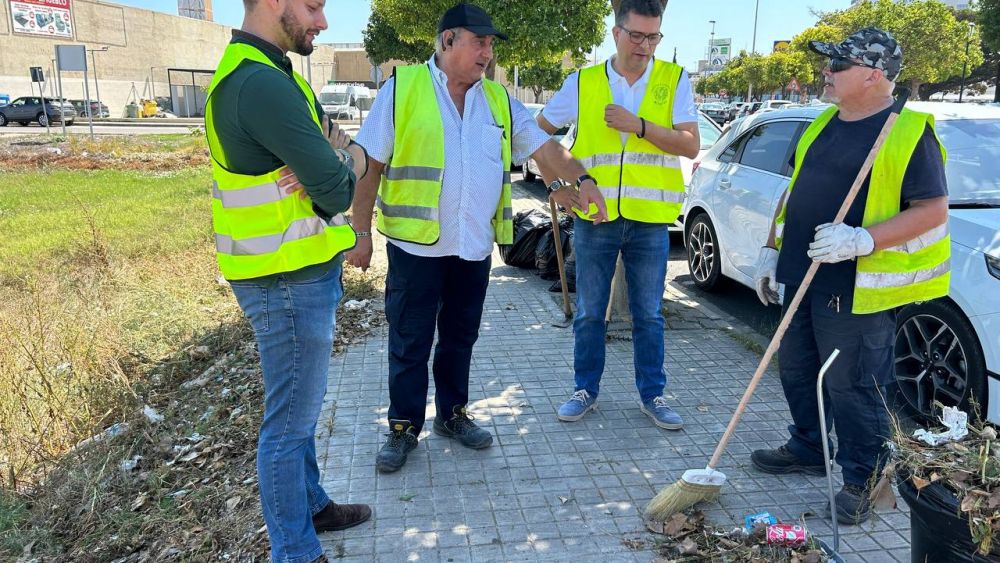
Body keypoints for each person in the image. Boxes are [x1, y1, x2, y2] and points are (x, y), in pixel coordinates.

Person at [348, 3, 608, 473]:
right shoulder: (402, 89)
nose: (488, 52)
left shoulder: (498, 99)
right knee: (409, 340)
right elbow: (370, 166)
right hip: (415, 247)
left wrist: (582, 178)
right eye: (479, 42)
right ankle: (403, 426)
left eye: (490, 44)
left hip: (472, 247)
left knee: (460, 337)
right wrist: (360, 231)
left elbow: (544, 148)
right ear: (448, 41)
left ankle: (452, 414)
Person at [751, 28, 949, 525]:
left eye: (837, 65)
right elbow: (794, 191)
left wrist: (861, 240)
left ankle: (866, 482)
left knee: (853, 385)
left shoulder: (908, 131)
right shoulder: (822, 122)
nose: (827, 71)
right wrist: (771, 249)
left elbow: (932, 210)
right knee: (797, 369)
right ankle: (809, 447)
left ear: (873, 75)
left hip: (856, 286)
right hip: (802, 273)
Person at [206, 1, 372, 561]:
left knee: (299, 410)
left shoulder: (274, 73)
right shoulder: (260, 85)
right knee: (288, 425)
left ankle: (312, 506)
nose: (323, 22)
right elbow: (338, 187)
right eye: (314, 6)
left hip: (291, 272)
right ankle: (296, 551)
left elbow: (340, 150)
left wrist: (340, 154)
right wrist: (344, 160)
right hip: (283, 280)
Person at [536, 0, 700, 430]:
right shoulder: (584, 81)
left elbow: (690, 145)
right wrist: (557, 185)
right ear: (616, 33)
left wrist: (639, 125)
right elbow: (535, 135)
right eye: (637, 35)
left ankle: (653, 395)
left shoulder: (674, 78)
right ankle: (584, 390)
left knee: (649, 314)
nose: (645, 45)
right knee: (590, 311)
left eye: (654, 36)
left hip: (650, 219)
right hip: (596, 218)